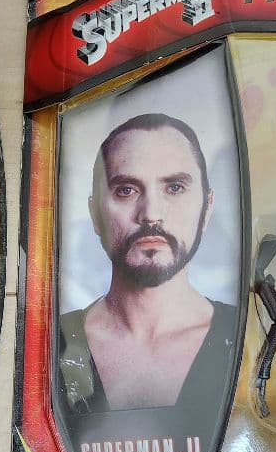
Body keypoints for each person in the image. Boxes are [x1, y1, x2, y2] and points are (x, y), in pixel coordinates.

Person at [58, 113, 237, 413]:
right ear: (95, 214)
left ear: (207, 208)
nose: (151, 214)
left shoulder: (246, 338)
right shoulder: (52, 345)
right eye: (126, 190)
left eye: (174, 188)